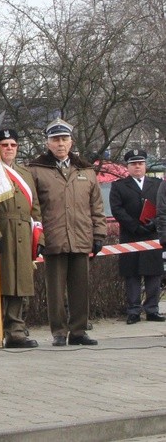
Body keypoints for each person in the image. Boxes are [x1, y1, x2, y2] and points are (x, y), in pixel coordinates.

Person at [28, 118, 106, 346]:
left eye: (64, 139)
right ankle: (59, 332)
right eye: (55, 139)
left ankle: (79, 331)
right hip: (53, 236)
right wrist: (39, 236)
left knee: (81, 287)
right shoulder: (36, 169)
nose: (60, 144)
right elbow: (34, 207)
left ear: (71, 142)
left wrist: (99, 234)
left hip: (81, 236)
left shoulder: (86, 170)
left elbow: (96, 206)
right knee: (55, 289)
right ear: (48, 143)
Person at [0, 129, 43, 349]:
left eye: (13, 145)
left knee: (20, 283)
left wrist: (39, 235)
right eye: (4, 144)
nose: (9, 148)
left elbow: (35, 207)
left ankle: (16, 330)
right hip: (0, 229)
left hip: (23, 231)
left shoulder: (25, 173)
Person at [110, 149, 164, 324]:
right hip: (130, 236)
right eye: (133, 164)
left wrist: (154, 223)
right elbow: (117, 209)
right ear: (128, 167)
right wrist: (134, 226)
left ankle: (152, 309)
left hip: (152, 234)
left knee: (153, 274)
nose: (137, 166)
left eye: (140, 163)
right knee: (132, 274)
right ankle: (133, 311)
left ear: (145, 165)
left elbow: (163, 207)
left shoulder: (157, 184)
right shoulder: (118, 186)